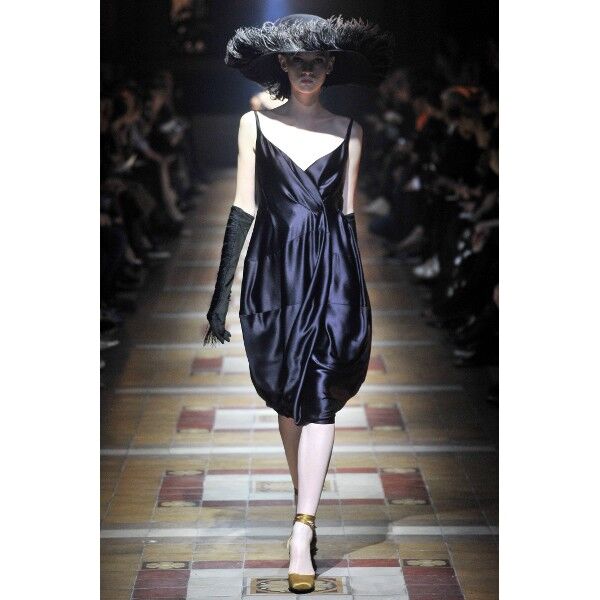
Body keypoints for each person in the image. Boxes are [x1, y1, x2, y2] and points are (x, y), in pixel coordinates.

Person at [202, 14, 394, 593]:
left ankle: (301, 528)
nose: (308, 70)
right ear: (282, 64)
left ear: (330, 66)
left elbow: (348, 216)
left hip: (332, 273)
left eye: (317, 61)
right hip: (274, 273)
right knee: (289, 397)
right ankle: (302, 503)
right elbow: (243, 206)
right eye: (297, 61)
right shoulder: (253, 124)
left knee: (320, 396)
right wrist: (221, 292)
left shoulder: (350, 130)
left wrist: (356, 295)